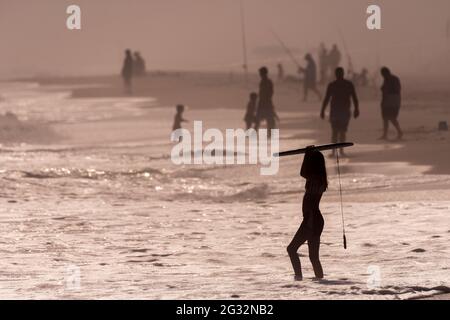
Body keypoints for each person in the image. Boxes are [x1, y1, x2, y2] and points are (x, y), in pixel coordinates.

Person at [287, 148, 327, 281]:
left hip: (311, 218)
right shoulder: (320, 179)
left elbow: (303, 172)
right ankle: (320, 282)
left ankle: (298, 279)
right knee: (314, 257)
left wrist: (307, 154)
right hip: (316, 219)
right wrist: (309, 154)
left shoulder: (315, 179)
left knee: (291, 249)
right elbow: (305, 174)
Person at [321, 67, 359, 157]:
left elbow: (326, 99)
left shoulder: (333, 85)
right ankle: (340, 151)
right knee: (340, 131)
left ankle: (336, 151)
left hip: (338, 111)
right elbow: (354, 98)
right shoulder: (347, 84)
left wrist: (322, 110)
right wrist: (356, 109)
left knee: (336, 131)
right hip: (342, 111)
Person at [379, 67, 403, 140]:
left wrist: (383, 101)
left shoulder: (388, 79)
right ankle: (386, 134)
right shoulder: (395, 78)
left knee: (388, 117)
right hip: (396, 100)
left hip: (389, 100)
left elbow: (386, 91)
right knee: (390, 118)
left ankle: (398, 132)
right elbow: (398, 89)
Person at [254, 67, 277, 136]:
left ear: (263, 73)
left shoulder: (266, 81)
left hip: (265, 102)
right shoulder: (265, 81)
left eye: (260, 73)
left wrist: (265, 100)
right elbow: (270, 92)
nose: (259, 74)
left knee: (265, 118)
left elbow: (269, 92)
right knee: (265, 118)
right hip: (265, 102)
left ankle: (269, 133)